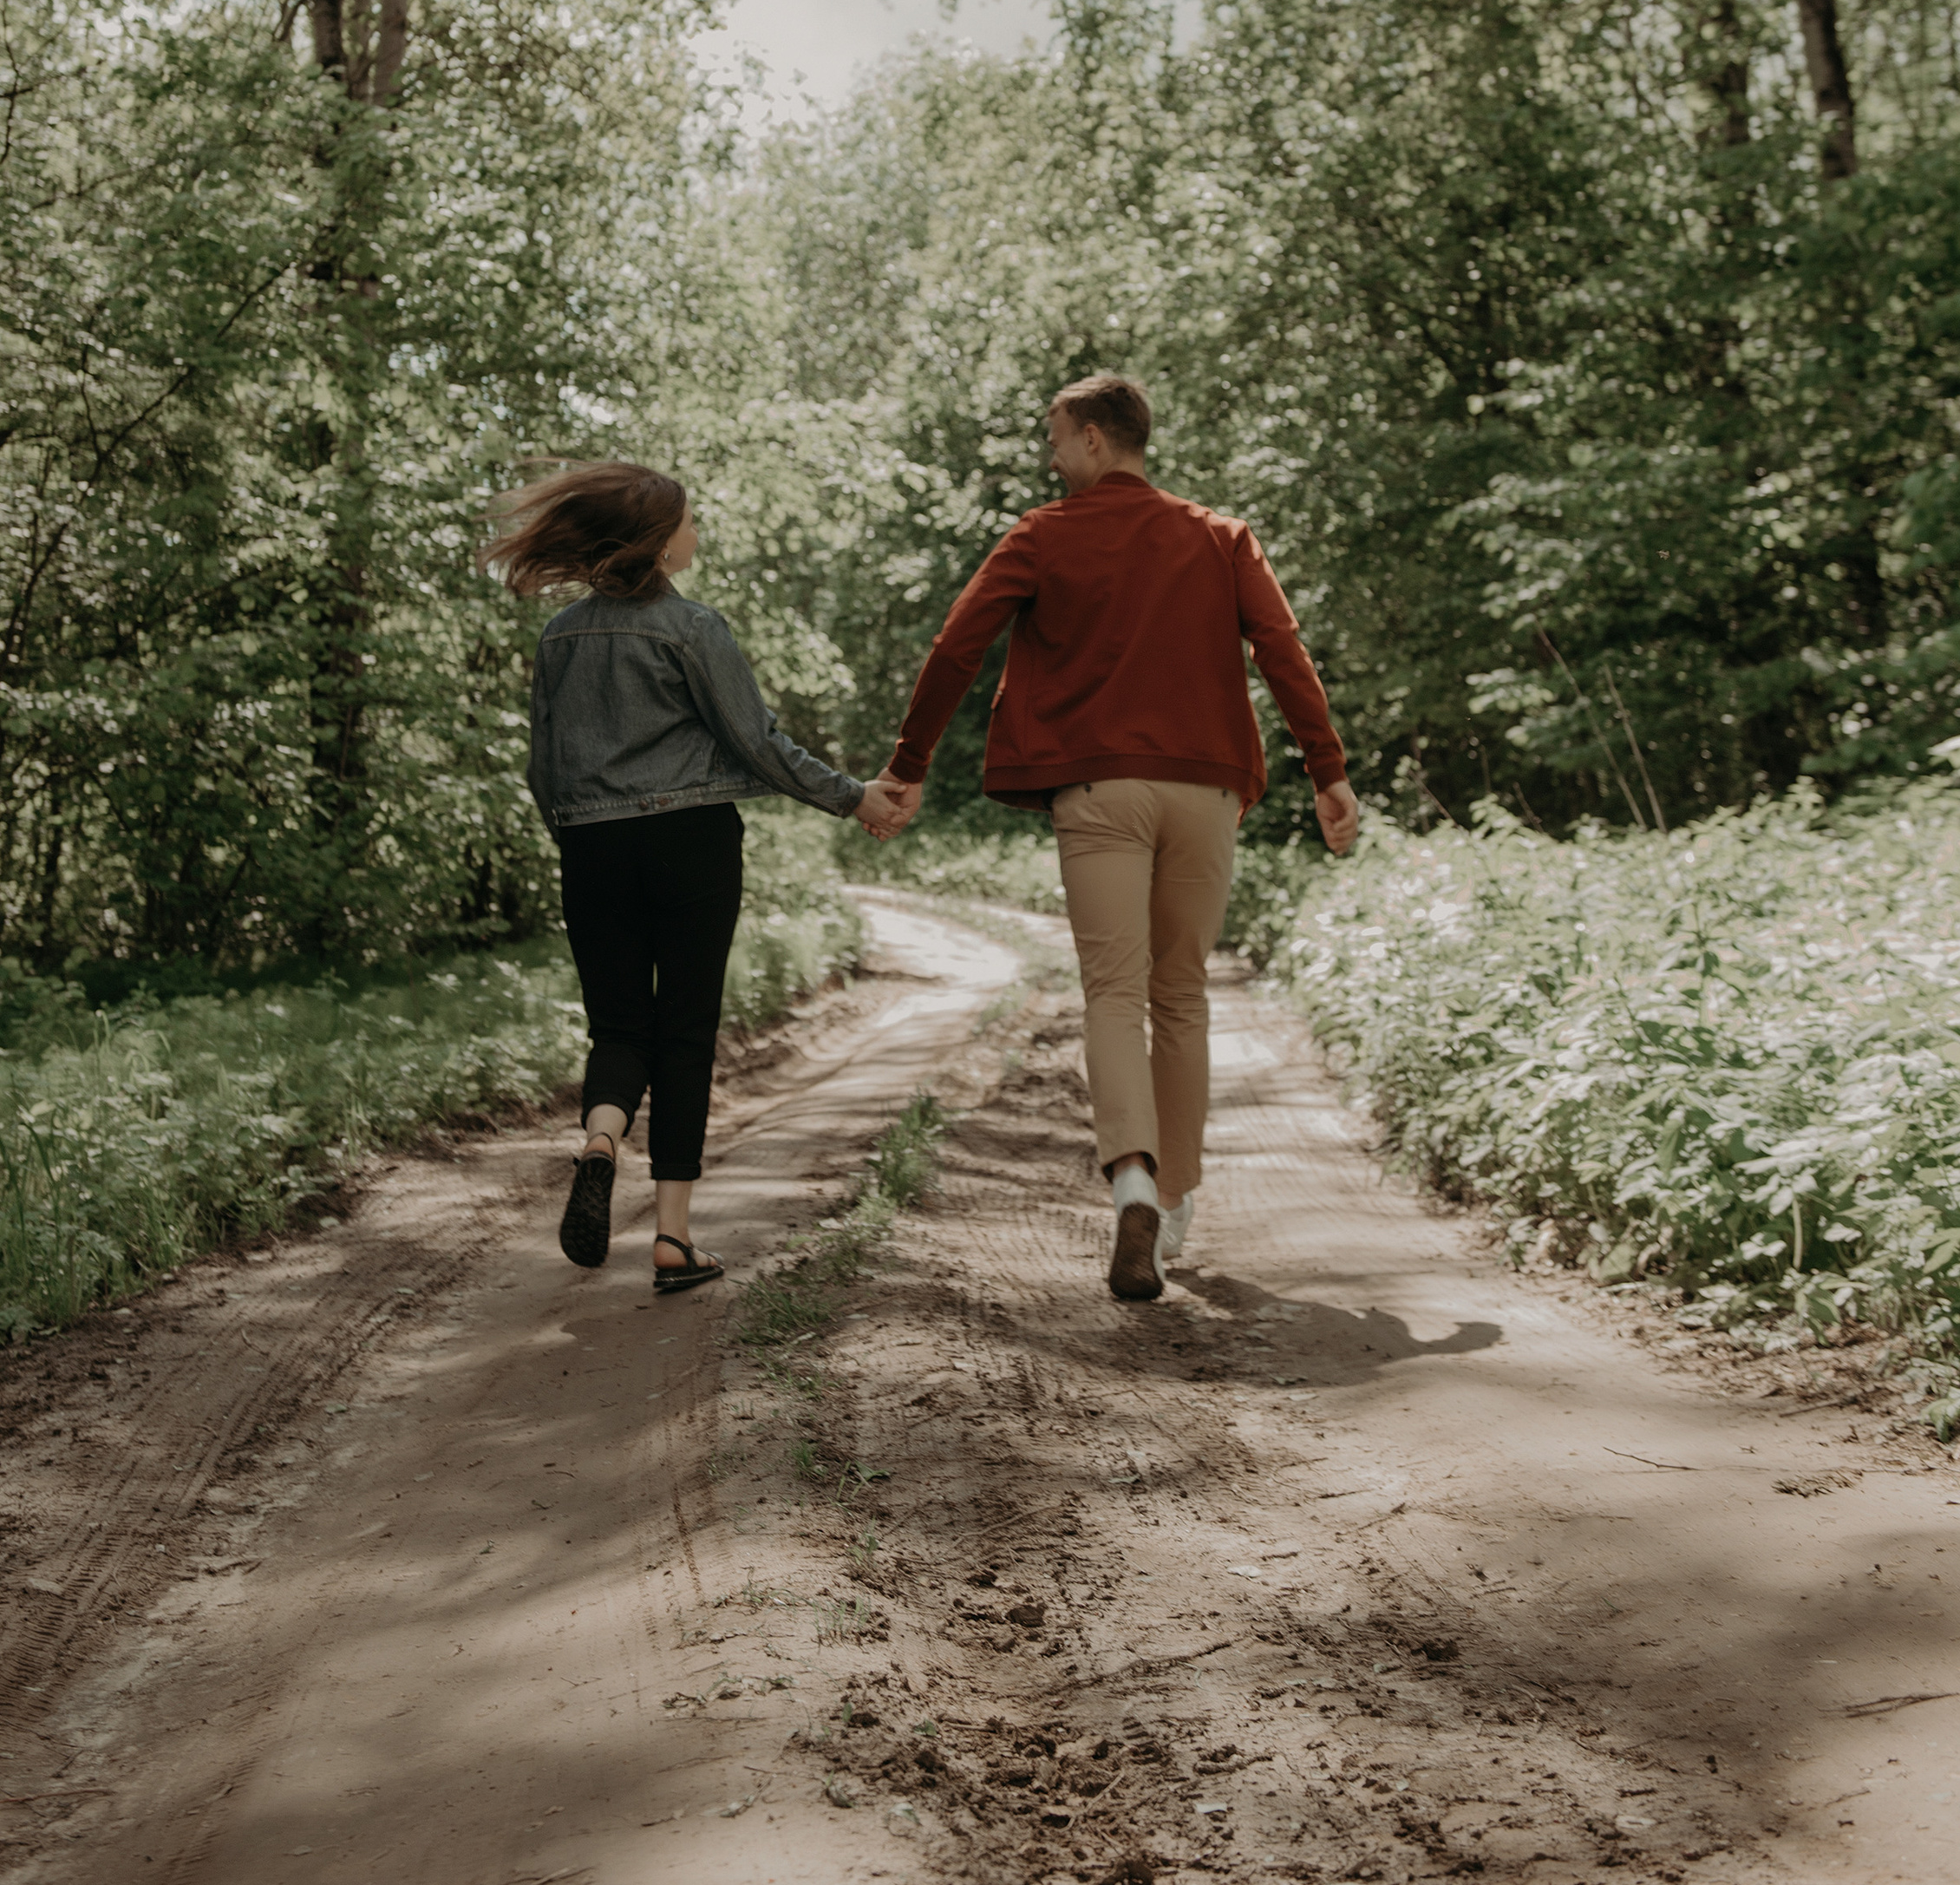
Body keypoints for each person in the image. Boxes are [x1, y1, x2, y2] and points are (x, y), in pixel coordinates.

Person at [863, 374, 1357, 1303]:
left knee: (1112, 991)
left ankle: (1130, 1175)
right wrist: (1327, 772)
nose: (1050, 458)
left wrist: (908, 763)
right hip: (1208, 790)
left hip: (1099, 792)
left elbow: (956, 646)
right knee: (1181, 994)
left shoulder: (1043, 534)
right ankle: (1175, 1204)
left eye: (1055, 439)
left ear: (1094, 439)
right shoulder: (1220, 536)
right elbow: (1281, 649)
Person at [483, 461, 907, 1294]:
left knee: (617, 1026)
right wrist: (854, 797)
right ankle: (673, 1239)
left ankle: (601, 1140)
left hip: (593, 846)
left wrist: (575, 837)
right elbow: (758, 744)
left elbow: (542, 765)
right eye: (688, 523)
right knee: (683, 1031)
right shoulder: (693, 628)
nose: (697, 535)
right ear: (656, 543)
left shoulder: (561, 634)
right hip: (691, 842)